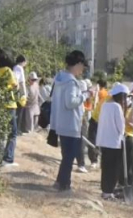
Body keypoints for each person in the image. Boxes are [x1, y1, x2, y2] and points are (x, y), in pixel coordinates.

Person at [49, 50, 90, 192]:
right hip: (71, 124)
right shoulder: (71, 82)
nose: (82, 70)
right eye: (82, 66)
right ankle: (64, 184)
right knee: (69, 157)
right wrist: (85, 96)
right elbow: (70, 102)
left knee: (66, 156)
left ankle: (60, 182)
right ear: (77, 64)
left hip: (61, 122)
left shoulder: (60, 78)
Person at [96, 83, 128, 200]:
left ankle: (105, 190)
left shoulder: (105, 105)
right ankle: (109, 191)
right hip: (114, 142)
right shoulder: (117, 107)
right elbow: (121, 126)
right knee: (114, 168)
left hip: (104, 141)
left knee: (106, 167)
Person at [0, 49, 20, 167]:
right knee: (13, 133)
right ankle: (8, 158)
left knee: (0, 132)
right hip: (10, 105)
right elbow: (16, 85)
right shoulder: (8, 71)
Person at [87, 79, 109, 170]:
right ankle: (97, 160)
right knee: (99, 141)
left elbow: (93, 102)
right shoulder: (106, 94)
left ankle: (94, 160)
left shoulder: (100, 93)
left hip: (96, 119)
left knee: (93, 140)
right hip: (100, 120)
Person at [13, 55, 28, 135]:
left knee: (18, 113)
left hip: (17, 93)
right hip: (20, 94)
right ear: (23, 61)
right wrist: (23, 94)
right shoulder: (19, 68)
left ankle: (17, 129)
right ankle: (17, 129)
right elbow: (19, 81)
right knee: (19, 113)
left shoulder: (15, 67)